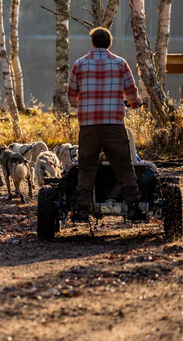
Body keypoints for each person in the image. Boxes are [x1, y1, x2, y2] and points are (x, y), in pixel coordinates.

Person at [66, 27, 145, 221]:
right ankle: (133, 207)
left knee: (86, 167)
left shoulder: (79, 64)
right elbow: (132, 93)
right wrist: (134, 103)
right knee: (124, 166)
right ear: (109, 43)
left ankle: (83, 209)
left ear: (92, 43)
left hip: (88, 126)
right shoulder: (120, 64)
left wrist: (80, 102)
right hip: (114, 125)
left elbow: (71, 96)